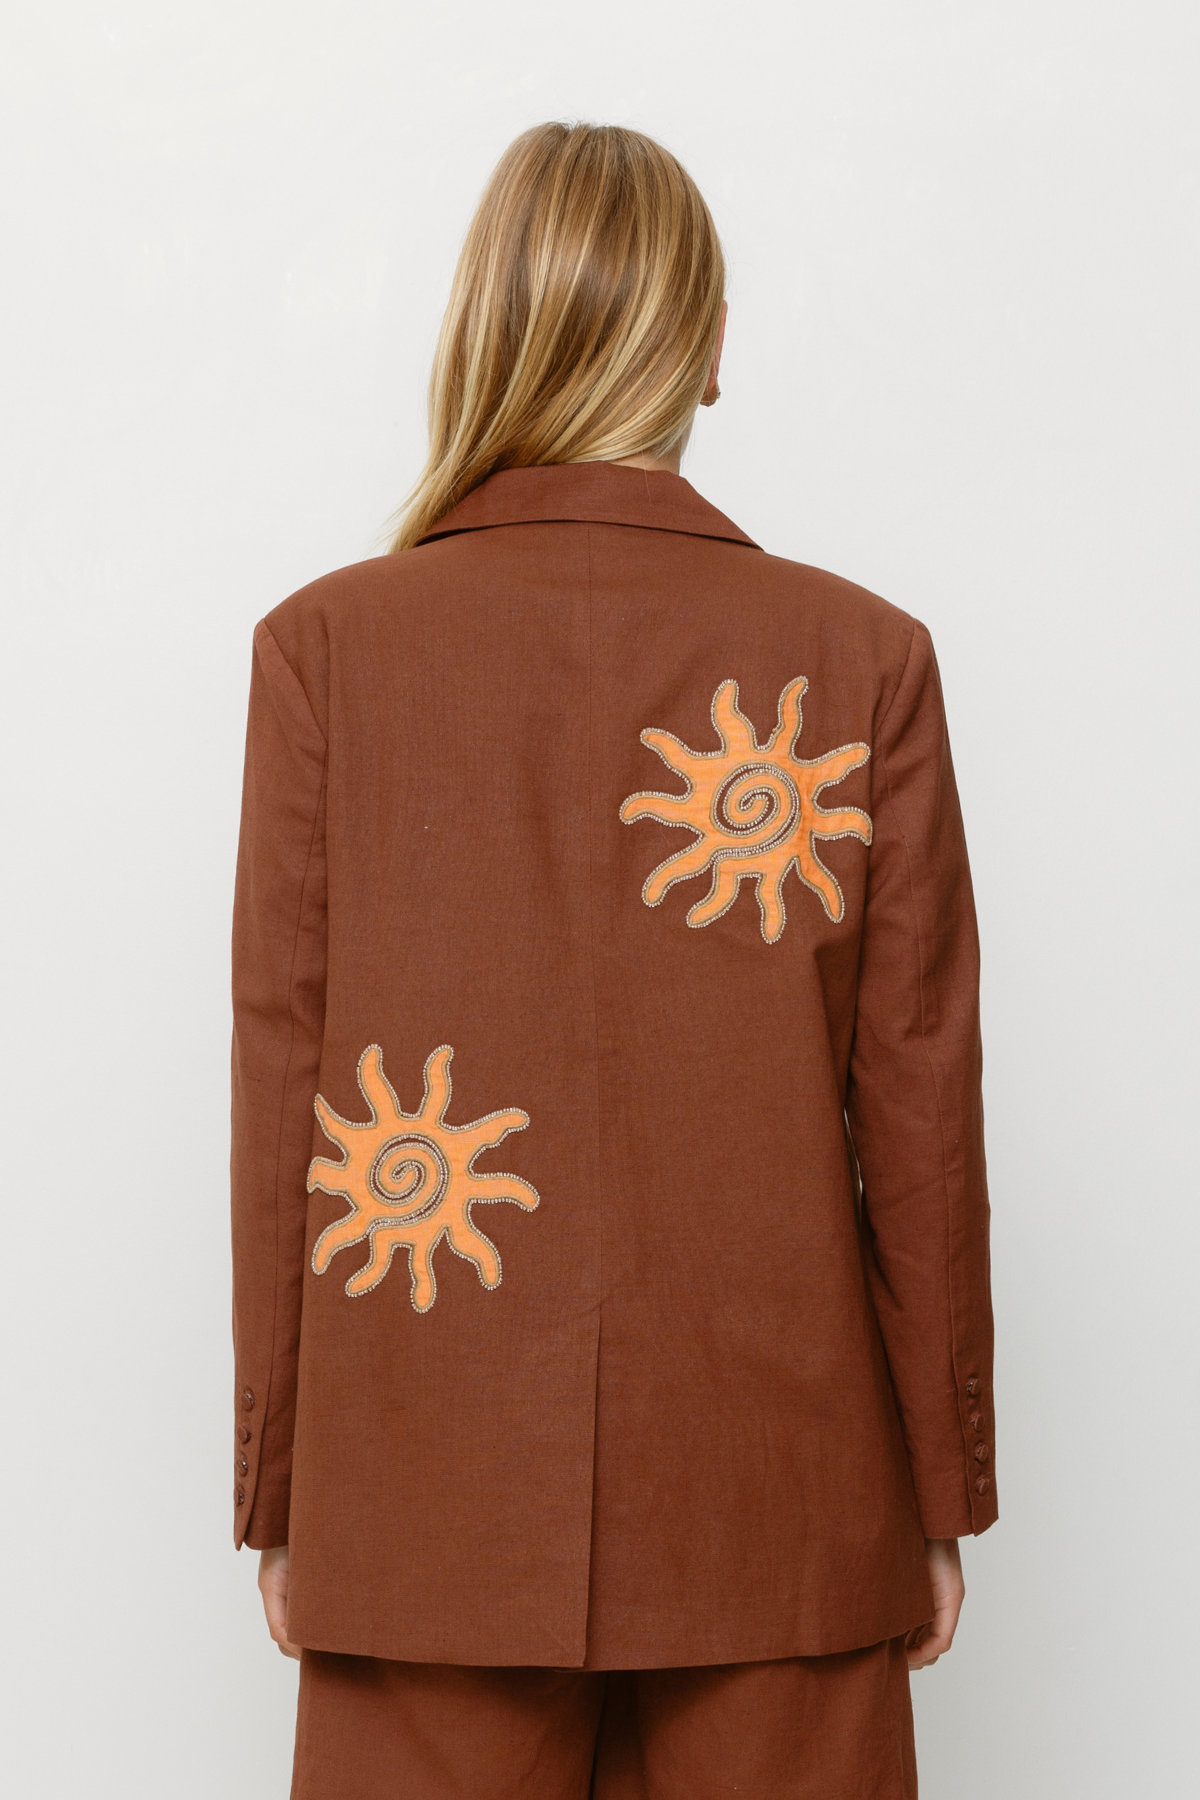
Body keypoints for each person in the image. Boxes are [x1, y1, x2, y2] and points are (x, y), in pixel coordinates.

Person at [231, 121, 996, 1800]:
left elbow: (289, 1099)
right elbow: (921, 1121)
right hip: (784, 1505)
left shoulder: (325, 653)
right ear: (708, 348)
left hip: (425, 1498)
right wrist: (937, 1491)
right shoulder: (864, 657)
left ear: (486, 334)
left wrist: (287, 1488)